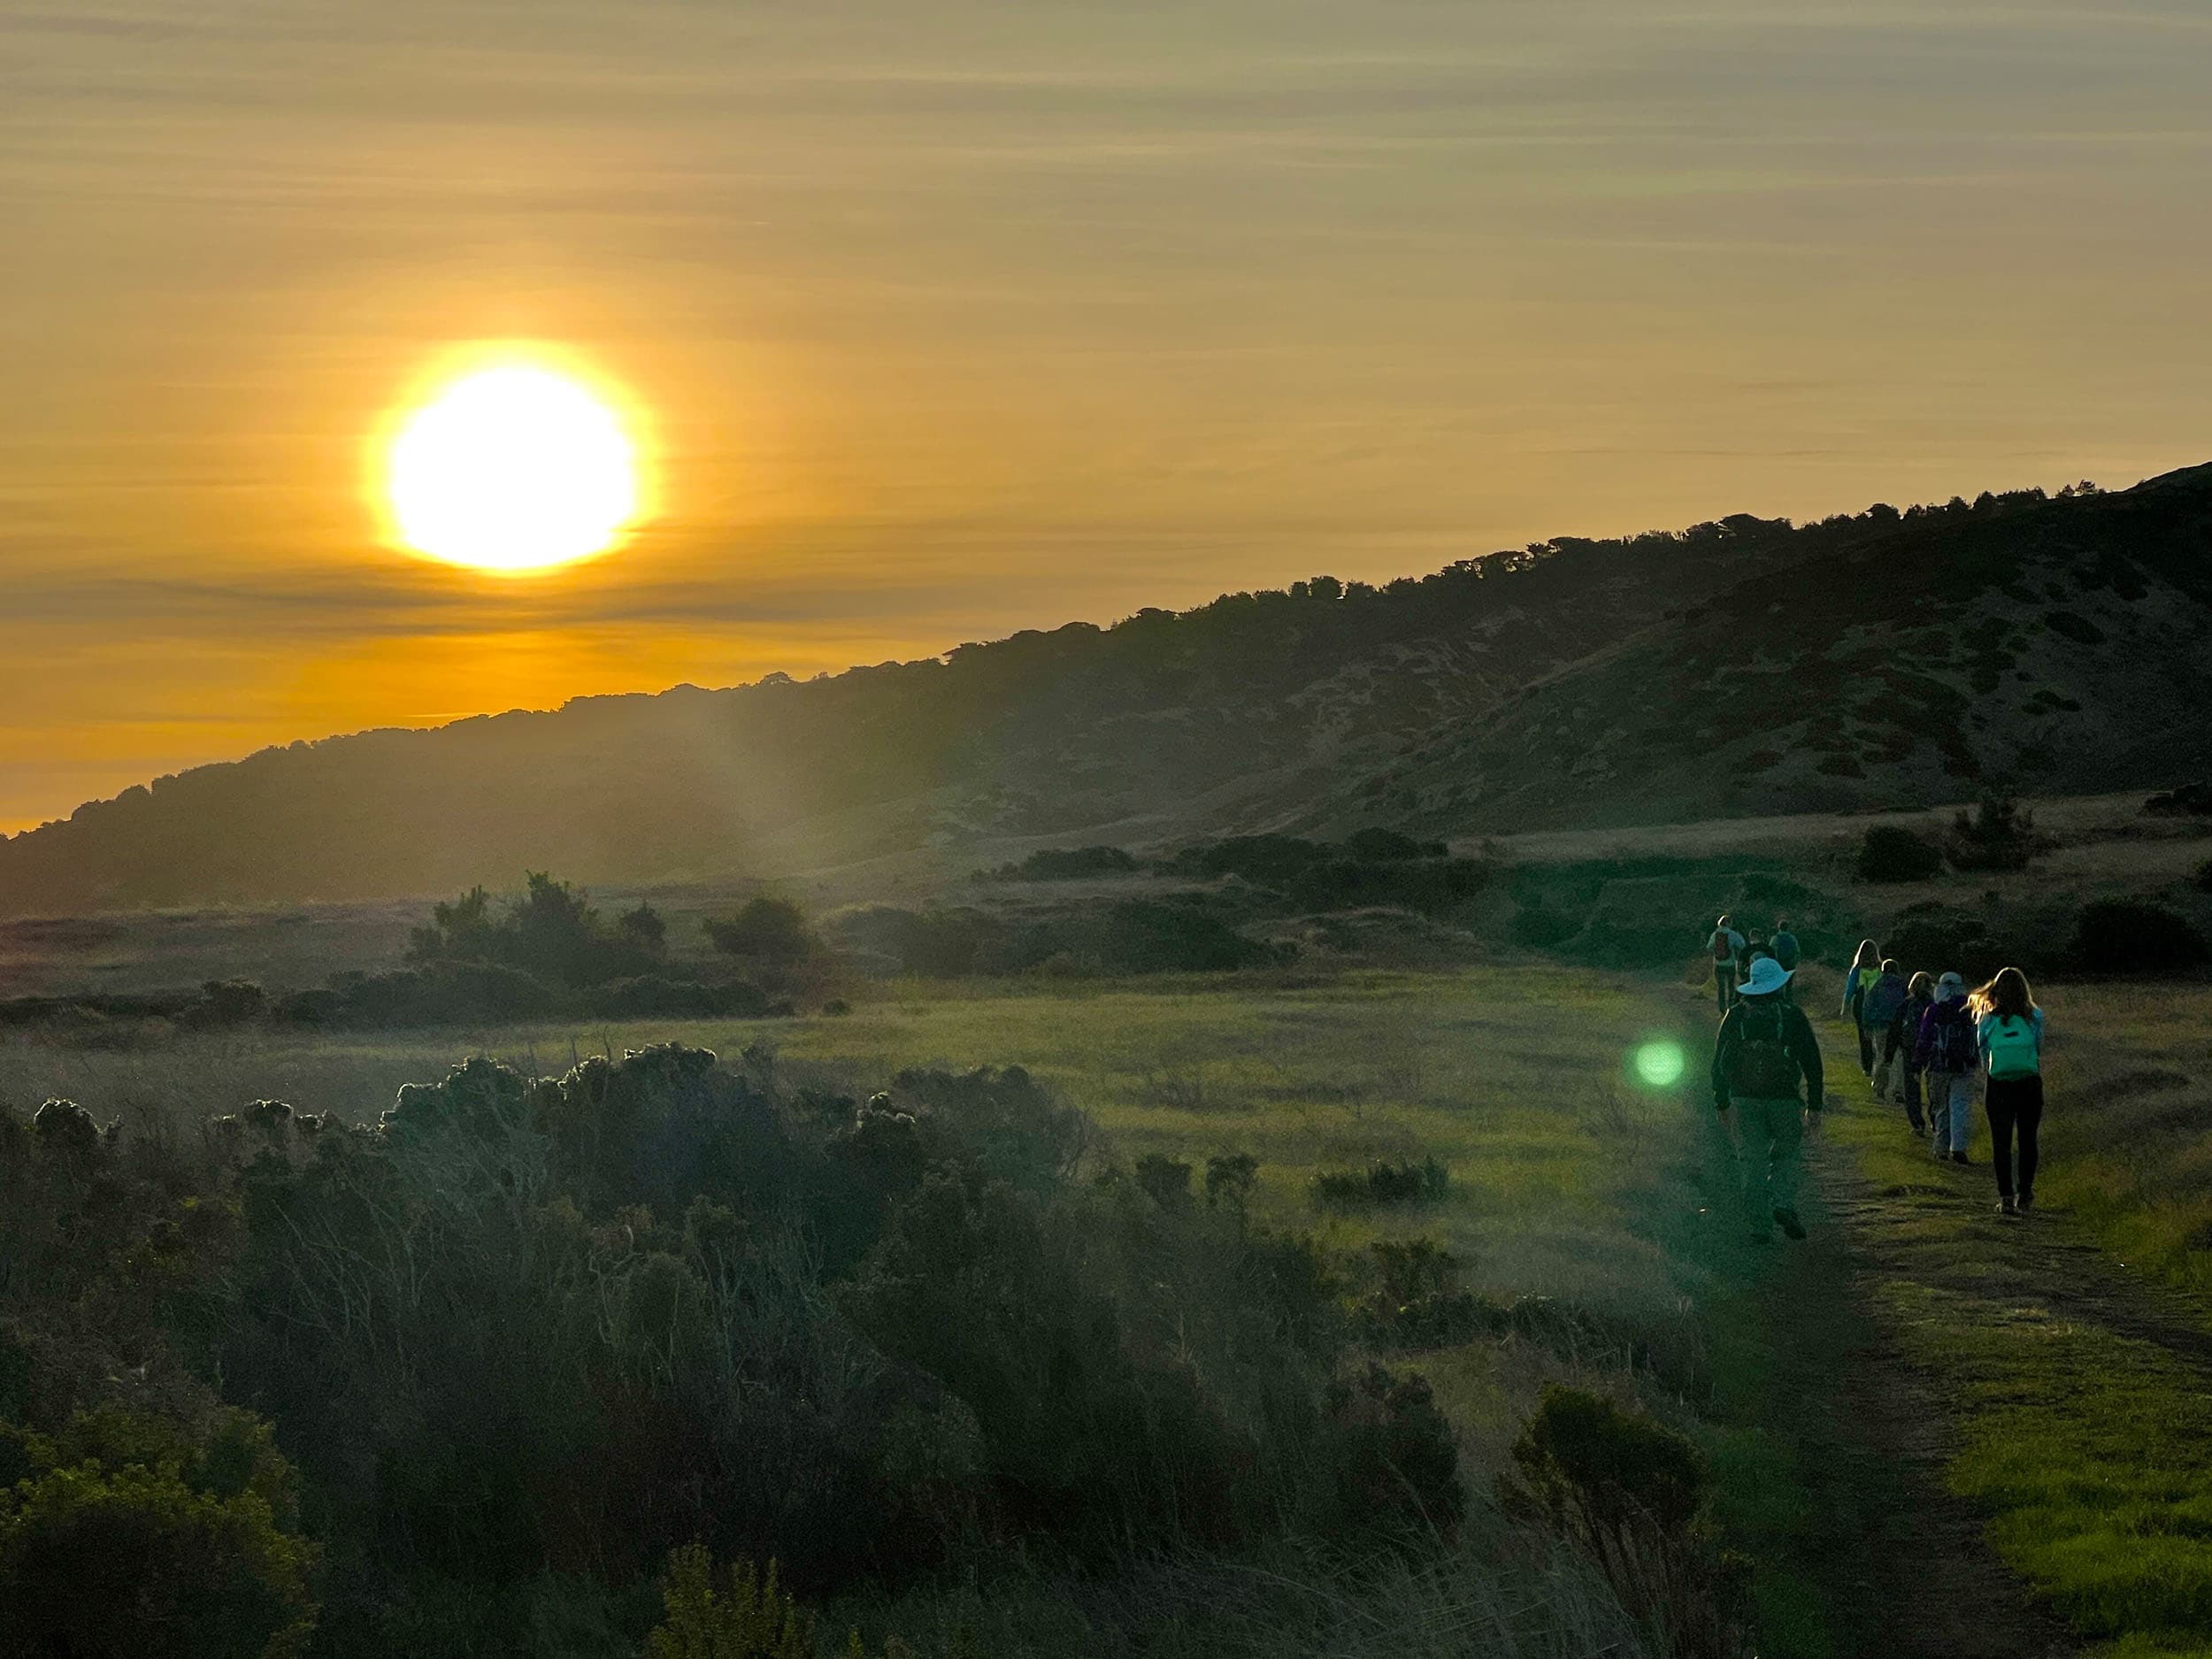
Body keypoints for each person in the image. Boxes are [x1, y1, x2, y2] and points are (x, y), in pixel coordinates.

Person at [1713, 955, 1826, 1241]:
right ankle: (1782, 1202)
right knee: (1787, 1154)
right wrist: (1814, 1105)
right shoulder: (1792, 1015)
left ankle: (1759, 1227)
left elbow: (1719, 1062)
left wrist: (1721, 1101)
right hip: (1785, 1099)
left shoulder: (1736, 1015)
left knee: (1752, 1161)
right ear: (1778, 985)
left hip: (1744, 1099)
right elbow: (1812, 1061)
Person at [1970, 967, 2046, 1215]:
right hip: (2029, 1082)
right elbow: (2038, 1047)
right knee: (2027, 1140)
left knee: (2001, 1142)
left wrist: (1989, 1071)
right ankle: (2025, 1193)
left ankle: (2005, 1197)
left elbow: (1982, 1049)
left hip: (1998, 1083)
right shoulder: (2034, 1016)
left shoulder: (1988, 1018)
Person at [1915, 971, 1978, 1164]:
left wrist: (1917, 1063)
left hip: (1938, 1065)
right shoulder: (1970, 1009)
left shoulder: (1934, 1009)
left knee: (1941, 1107)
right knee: (1960, 1106)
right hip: (1964, 1065)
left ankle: (1941, 1148)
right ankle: (1958, 1148)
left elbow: (1924, 1037)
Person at [1889, 971, 1935, 1135]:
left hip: (1910, 1049)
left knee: (1912, 1088)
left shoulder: (1906, 1004)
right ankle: (1935, 1120)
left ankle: (1917, 1124)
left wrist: (1890, 1052)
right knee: (1932, 1087)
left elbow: (1895, 1029)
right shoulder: (1934, 1005)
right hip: (1930, 1049)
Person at [1862, 959, 1909, 1100]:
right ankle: (1898, 1090)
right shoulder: (1902, 986)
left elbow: (1868, 1005)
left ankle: (1879, 1087)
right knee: (1898, 1058)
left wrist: (1867, 1024)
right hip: (1898, 1026)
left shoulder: (1878, 985)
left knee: (1881, 1057)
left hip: (1880, 1026)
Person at [1840, 940, 1881, 1074]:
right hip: (1877, 1003)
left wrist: (1844, 1007)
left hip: (1861, 1002)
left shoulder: (1857, 969)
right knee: (1878, 1033)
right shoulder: (1880, 967)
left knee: (1863, 1035)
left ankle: (1867, 1067)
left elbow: (1850, 989)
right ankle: (1879, 1062)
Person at [1709, 914, 1746, 1013]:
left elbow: (1709, 947)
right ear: (1728, 923)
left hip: (1718, 964)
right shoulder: (1732, 934)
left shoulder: (1715, 934)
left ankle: (1722, 1009)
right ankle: (1731, 1007)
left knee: (1721, 987)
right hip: (1730, 964)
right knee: (1731, 986)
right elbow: (1742, 945)